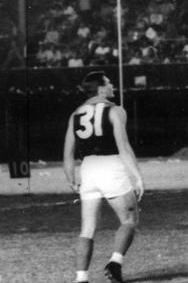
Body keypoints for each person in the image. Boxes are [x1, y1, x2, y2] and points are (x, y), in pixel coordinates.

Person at [63, 71, 145, 283]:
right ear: (101, 88)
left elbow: (67, 153)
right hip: (111, 165)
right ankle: (115, 263)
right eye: (109, 83)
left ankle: (81, 278)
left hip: (88, 168)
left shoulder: (76, 114)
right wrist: (137, 176)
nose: (112, 86)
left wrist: (71, 177)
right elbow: (124, 147)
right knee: (129, 219)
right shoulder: (115, 110)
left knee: (87, 228)